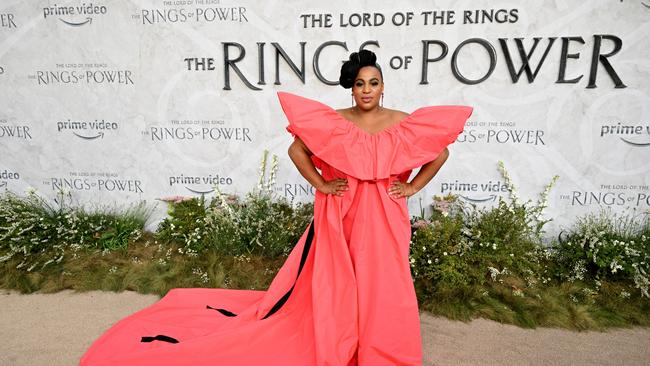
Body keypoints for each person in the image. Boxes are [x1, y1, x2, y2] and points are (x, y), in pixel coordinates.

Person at [79, 49, 473, 366]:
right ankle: (341, 342)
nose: (366, 90)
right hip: (341, 211)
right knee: (339, 281)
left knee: (384, 282)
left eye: (373, 83)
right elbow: (296, 149)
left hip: (386, 214)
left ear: (383, 87)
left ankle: (382, 350)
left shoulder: (401, 122)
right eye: (359, 84)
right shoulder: (335, 121)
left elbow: (439, 152)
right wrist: (321, 183)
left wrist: (412, 186)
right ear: (350, 90)